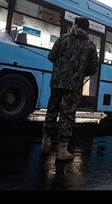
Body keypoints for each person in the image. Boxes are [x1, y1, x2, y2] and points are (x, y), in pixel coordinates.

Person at [41, 16, 98, 160]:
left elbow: (51, 57)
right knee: (67, 115)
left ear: (76, 25)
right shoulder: (91, 46)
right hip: (74, 86)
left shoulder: (63, 38)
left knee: (52, 110)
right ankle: (62, 150)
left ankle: (46, 141)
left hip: (57, 82)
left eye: (73, 24)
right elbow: (93, 68)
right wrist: (80, 72)